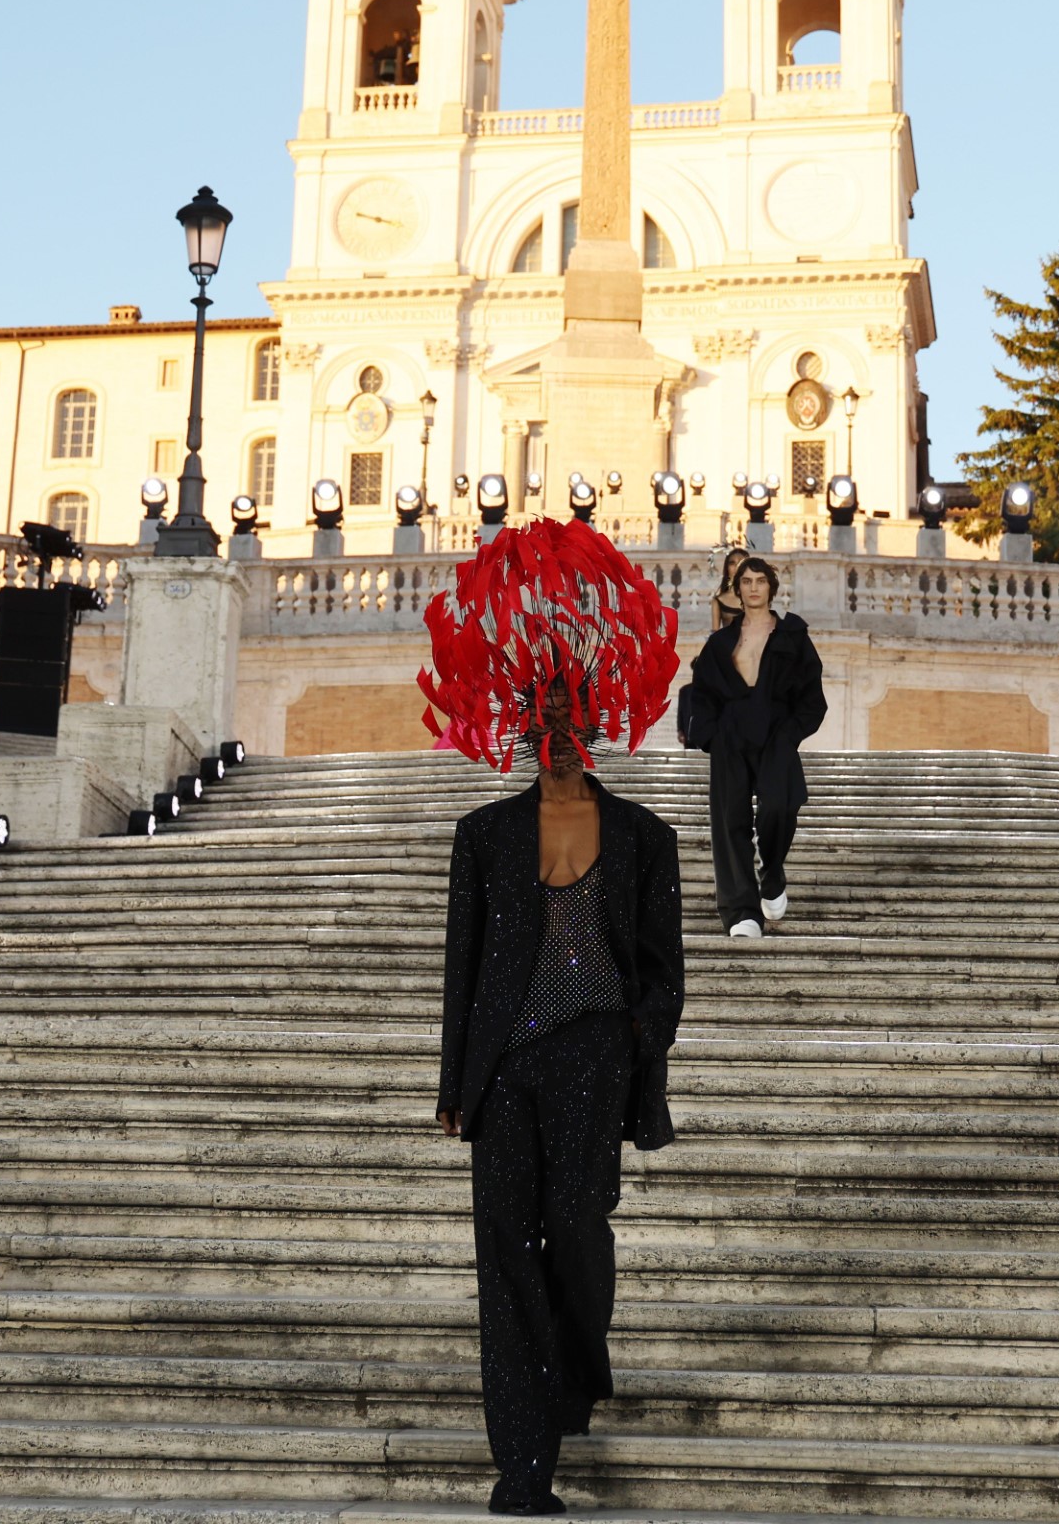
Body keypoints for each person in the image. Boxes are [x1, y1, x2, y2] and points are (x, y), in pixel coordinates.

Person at [423, 518, 685, 1517]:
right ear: (525, 723)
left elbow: (665, 971)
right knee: (502, 1257)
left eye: (572, 707)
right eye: (544, 711)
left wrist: (634, 1040)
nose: (559, 725)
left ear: (595, 715)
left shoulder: (643, 837)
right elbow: (461, 968)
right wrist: (454, 1083)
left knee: (574, 1233)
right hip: (504, 1070)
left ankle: (575, 1372)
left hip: (593, 1057)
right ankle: (522, 1465)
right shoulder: (483, 836)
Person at [688, 555, 826, 938]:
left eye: (759, 580)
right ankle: (741, 913)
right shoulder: (720, 644)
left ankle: (772, 870)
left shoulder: (792, 636)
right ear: (737, 589)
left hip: (776, 732)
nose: (752, 587)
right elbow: (703, 694)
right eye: (745, 581)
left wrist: (790, 733)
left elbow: (812, 695)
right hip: (731, 734)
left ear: (771, 587)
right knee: (729, 820)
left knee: (779, 806)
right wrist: (711, 734)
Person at [710, 546, 749, 630]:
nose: (736, 567)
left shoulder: (757, 596)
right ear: (727, 568)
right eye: (732, 563)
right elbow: (714, 635)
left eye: (741, 563)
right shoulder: (718, 601)